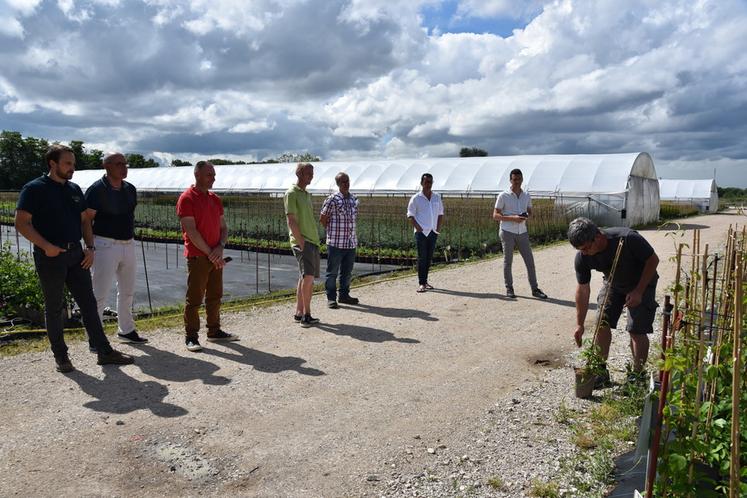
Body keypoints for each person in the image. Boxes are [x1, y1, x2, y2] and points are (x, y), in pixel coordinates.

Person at [14, 144, 135, 372]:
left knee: (89, 304)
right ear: (53, 163)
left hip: (76, 254)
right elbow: (21, 223)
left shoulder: (74, 189)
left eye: (73, 164)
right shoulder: (34, 189)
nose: (72, 168)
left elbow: (84, 221)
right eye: (68, 163)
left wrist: (89, 247)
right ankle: (61, 356)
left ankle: (104, 351)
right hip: (50, 256)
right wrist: (46, 246)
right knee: (54, 306)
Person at [568, 217, 659, 387]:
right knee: (601, 322)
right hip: (613, 283)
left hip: (642, 283)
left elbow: (653, 260)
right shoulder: (582, 256)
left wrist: (638, 291)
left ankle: (637, 376)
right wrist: (579, 324)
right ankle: (600, 371)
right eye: (581, 250)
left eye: (587, 248)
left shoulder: (628, 239)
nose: (585, 253)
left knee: (636, 329)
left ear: (598, 236)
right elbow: (583, 289)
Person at [85, 152, 147, 349]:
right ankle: (95, 336)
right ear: (107, 166)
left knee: (127, 290)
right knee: (99, 292)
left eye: (125, 163)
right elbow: (87, 219)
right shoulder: (96, 190)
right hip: (105, 244)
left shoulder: (130, 189)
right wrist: (90, 246)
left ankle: (126, 330)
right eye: (119, 164)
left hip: (128, 243)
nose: (124, 167)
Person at [176, 161, 238, 352]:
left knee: (215, 295)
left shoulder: (215, 199)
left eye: (213, 174)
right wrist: (211, 253)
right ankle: (191, 336)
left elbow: (223, 227)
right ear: (197, 175)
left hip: (215, 255)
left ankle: (214, 330)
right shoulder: (187, 198)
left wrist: (220, 247)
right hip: (198, 257)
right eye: (209, 174)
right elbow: (191, 231)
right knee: (194, 298)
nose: (213, 178)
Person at [492, 168, 547, 300]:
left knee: (530, 261)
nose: (516, 182)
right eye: (514, 179)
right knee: (508, 261)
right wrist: (513, 218)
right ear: (510, 180)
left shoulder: (526, 195)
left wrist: (526, 216)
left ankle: (535, 289)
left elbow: (530, 212)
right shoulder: (503, 195)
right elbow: (495, 215)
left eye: (519, 179)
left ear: (522, 179)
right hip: (507, 232)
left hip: (522, 231)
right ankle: (509, 288)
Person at [284, 162, 321, 327]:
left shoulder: (306, 194)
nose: (311, 176)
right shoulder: (292, 193)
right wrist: (301, 242)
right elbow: (291, 220)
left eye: (312, 173)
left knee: (304, 277)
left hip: (311, 241)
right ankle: (307, 315)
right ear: (299, 173)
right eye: (308, 173)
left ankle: (299, 312)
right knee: (309, 278)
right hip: (303, 241)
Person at [320, 172, 360, 309]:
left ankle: (344, 295)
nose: (346, 183)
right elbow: (323, 218)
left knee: (347, 272)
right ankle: (331, 298)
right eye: (343, 182)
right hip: (336, 243)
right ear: (338, 184)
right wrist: (331, 232)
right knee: (332, 272)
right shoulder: (332, 199)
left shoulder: (354, 199)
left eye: (347, 181)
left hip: (350, 242)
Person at [407, 173, 444, 293]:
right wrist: (418, 228)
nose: (428, 184)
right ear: (421, 183)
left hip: (433, 232)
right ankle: (421, 283)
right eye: (426, 182)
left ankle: (426, 280)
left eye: (430, 182)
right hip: (422, 233)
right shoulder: (416, 198)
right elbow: (410, 215)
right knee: (422, 257)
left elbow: (440, 214)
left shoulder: (436, 197)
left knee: (428, 258)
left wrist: (437, 229)